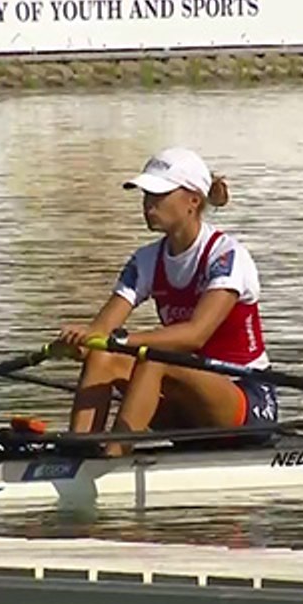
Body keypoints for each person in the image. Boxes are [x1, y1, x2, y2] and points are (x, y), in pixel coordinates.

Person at [56, 146, 278, 456]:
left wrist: (119, 340)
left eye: (158, 196)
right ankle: (77, 457)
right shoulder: (146, 260)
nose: (148, 205)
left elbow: (195, 334)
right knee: (101, 357)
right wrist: (82, 342)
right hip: (188, 402)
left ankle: (113, 456)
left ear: (193, 201)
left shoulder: (226, 256)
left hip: (245, 397)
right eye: (146, 196)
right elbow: (102, 332)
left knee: (155, 355)